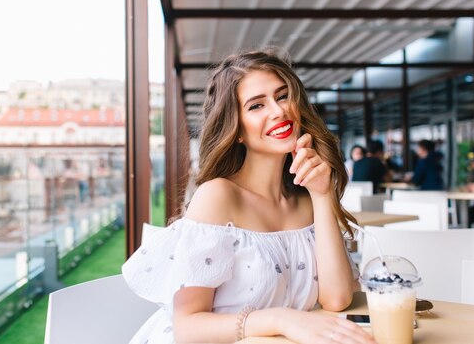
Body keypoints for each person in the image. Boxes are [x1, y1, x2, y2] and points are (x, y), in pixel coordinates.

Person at [122, 48, 375, 344]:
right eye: (256, 106)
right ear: (237, 129)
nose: (278, 111)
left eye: (282, 96)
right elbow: (187, 328)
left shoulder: (307, 198)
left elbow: (338, 298)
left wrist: (322, 196)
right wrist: (281, 319)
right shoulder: (217, 197)